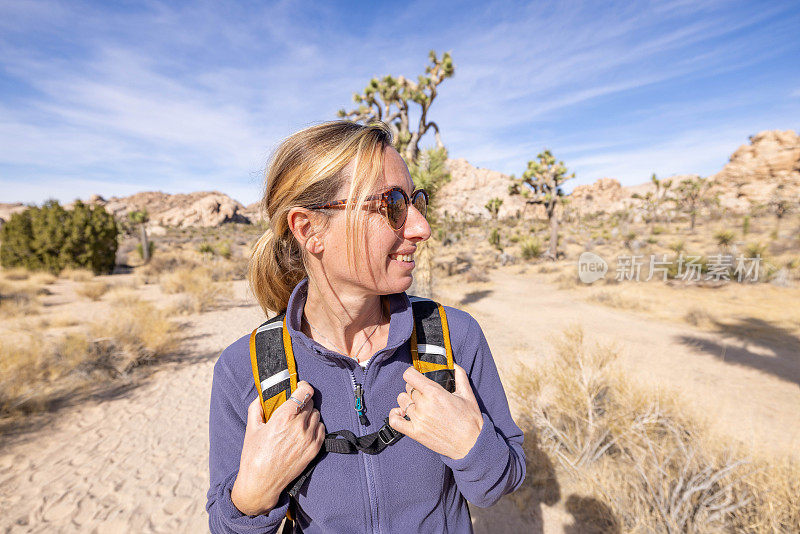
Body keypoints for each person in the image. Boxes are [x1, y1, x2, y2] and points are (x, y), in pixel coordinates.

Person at [206, 120, 526, 533]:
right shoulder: (243, 369)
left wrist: (470, 445)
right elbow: (224, 521)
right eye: (392, 205)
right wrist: (253, 495)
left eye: (416, 201)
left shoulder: (453, 337)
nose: (420, 228)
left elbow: (503, 478)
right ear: (309, 229)